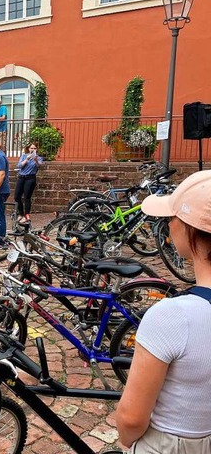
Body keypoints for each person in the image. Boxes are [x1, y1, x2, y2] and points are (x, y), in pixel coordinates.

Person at [116, 170, 211, 452]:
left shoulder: (174, 316)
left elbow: (132, 418)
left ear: (189, 230)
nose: (168, 225)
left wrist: (126, 441)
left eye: (172, 218)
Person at [15, 143, 43, 223]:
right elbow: (19, 165)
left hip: (30, 178)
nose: (32, 150)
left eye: (34, 148)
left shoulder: (39, 158)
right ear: (28, 149)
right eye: (31, 148)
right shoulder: (24, 156)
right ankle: (21, 213)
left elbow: (40, 166)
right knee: (17, 196)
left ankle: (27, 215)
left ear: (36, 149)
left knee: (27, 197)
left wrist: (36, 160)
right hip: (21, 177)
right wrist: (26, 160)